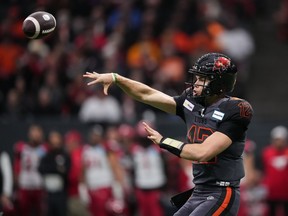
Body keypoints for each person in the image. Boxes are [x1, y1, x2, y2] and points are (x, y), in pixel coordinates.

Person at [83, 52, 254, 215]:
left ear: (219, 83)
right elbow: (147, 94)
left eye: (203, 79)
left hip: (222, 192)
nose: (196, 83)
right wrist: (117, 79)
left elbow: (203, 152)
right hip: (199, 191)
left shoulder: (236, 110)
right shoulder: (191, 102)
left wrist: (164, 141)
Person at [39, 130, 71, 216]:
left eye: (57, 138)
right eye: (53, 138)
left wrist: (54, 169)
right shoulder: (46, 156)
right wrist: (57, 168)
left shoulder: (64, 155)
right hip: (48, 193)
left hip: (61, 193)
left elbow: (66, 171)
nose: (55, 141)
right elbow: (42, 169)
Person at [262, 125, 288, 216]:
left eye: (281, 140)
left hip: (286, 192)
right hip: (271, 192)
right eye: (277, 140)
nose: (279, 142)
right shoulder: (267, 152)